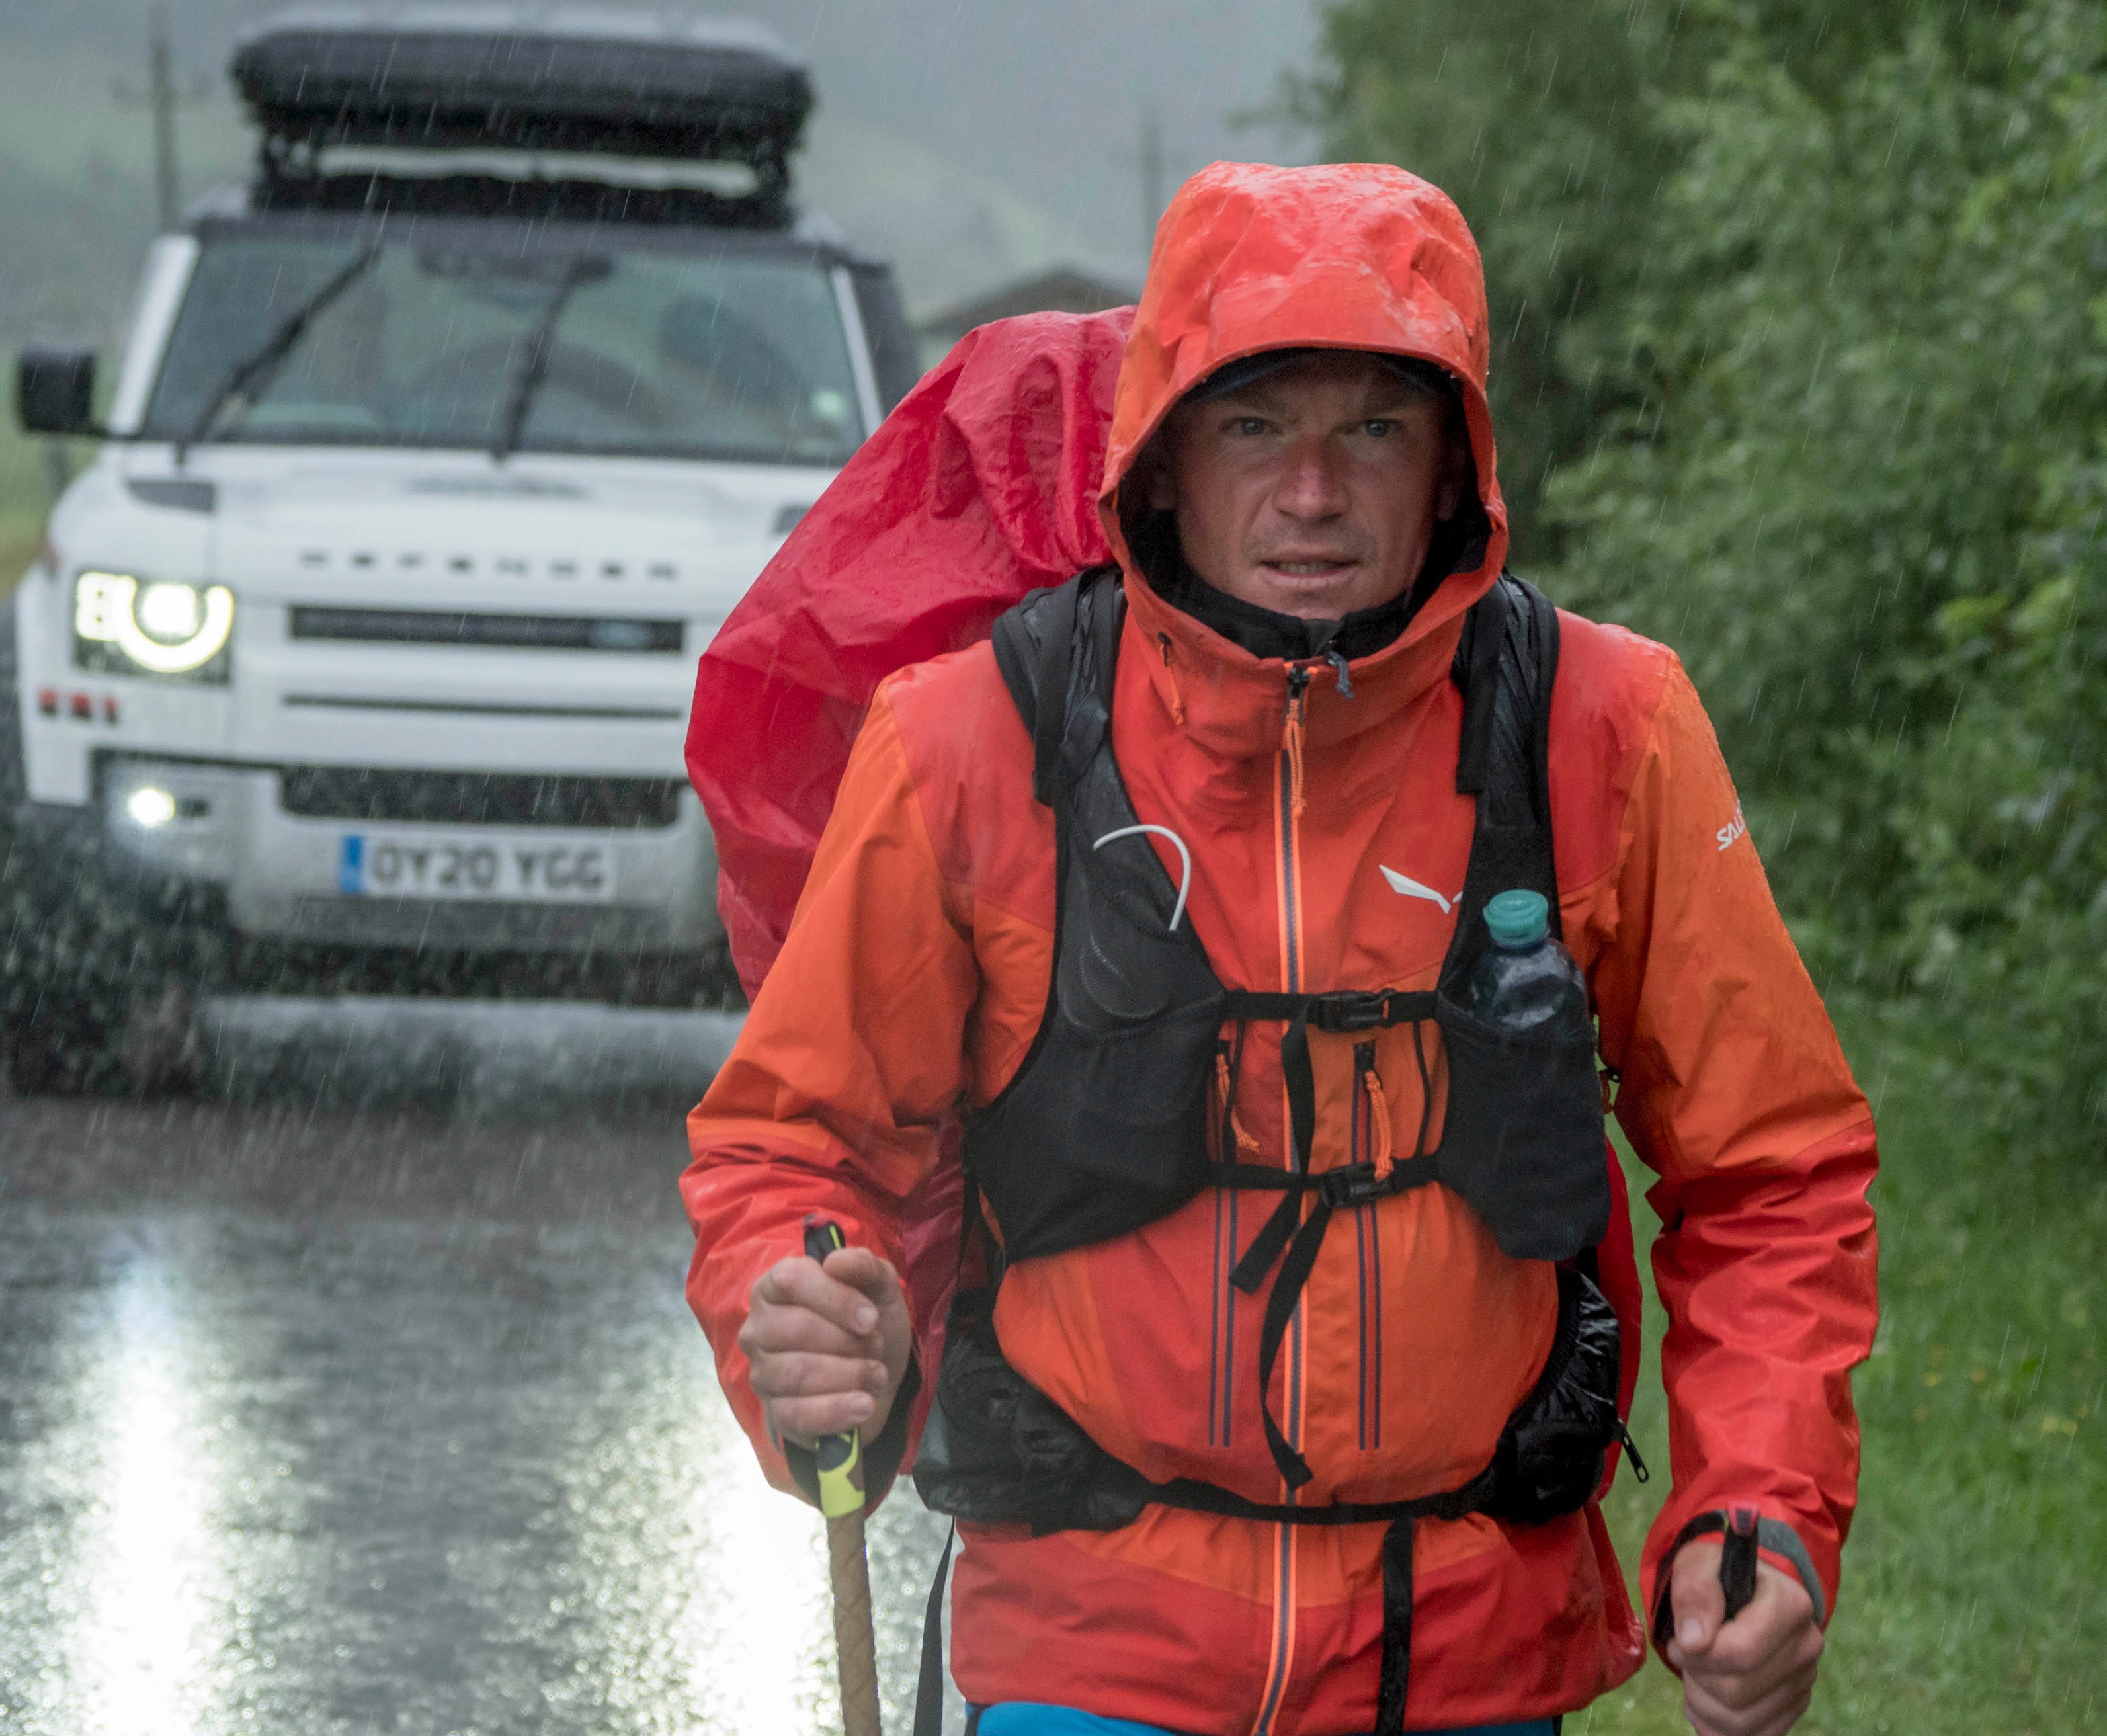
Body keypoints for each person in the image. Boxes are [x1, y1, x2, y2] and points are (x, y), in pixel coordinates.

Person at [682, 161, 1878, 1736]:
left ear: (1455, 463)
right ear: (1161, 461)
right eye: (1254, 424)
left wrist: (1757, 1504)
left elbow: (1767, 1170)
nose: (1311, 492)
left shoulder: (1605, 729)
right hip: (1084, 1657)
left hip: (1471, 1661)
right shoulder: (972, 740)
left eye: (1371, 426)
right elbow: (795, 1137)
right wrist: (795, 1296)